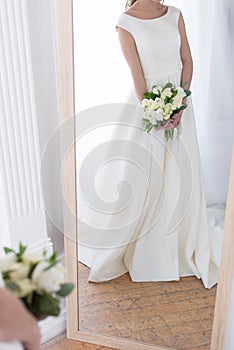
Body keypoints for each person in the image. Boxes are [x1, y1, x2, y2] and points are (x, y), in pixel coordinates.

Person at [78, 0, 223, 288]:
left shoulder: (175, 15)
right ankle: (141, 243)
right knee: (145, 175)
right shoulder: (125, 23)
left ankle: (179, 240)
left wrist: (180, 102)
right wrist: (156, 110)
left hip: (181, 107)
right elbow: (138, 77)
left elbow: (188, 61)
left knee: (180, 172)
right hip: (147, 108)